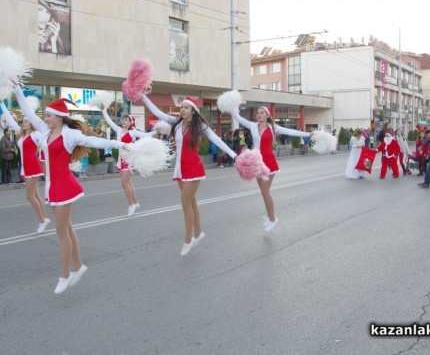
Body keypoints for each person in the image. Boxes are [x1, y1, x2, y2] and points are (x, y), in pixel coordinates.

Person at [14, 86, 129, 294]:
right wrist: (16, 88)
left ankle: (65, 274)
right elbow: (27, 111)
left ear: (59, 117)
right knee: (67, 229)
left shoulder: (70, 135)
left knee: (60, 232)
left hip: (65, 185)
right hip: (51, 185)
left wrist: (120, 145)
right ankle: (79, 265)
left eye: (48, 115)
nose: (45, 118)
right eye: (45, 116)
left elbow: (95, 141)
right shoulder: (44, 131)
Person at [141, 94, 236, 255]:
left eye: (186, 108)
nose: (182, 110)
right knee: (191, 202)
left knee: (185, 202)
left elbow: (217, 140)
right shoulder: (177, 124)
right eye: (181, 108)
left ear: (193, 111)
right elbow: (157, 112)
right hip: (180, 167)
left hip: (193, 167)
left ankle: (188, 239)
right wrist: (142, 96)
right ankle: (198, 233)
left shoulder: (200, 126)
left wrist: (235, 155)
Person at [227, 105, 309, 231]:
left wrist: (309, 133)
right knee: (263, 192)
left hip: (269, 162)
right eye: (258, 113)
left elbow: (291, 132)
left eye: (262, 113)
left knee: (265, 191)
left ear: (267, 115)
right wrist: (230, 105)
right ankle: (270, 216)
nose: (259, 114)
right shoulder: (253, 126)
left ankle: (273, 218)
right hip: (257, 161)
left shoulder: (273, 127)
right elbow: (239, 118)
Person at [0, 101, 50, 233]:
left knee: (30, 196)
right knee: (36, 195)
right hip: (25, 166)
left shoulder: (36, 135)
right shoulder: (21, 134)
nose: (24, 123)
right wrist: (2, 104)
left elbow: (46, 143)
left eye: (27, 121)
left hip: (33, 165)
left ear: (32, 123)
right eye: (23, 121)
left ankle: (42, 220)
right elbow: (10, 120)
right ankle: (44, 218)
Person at [101, 107, 158, 216]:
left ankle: (131, 205)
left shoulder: (133, 132)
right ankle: (135, 202)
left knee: (124, 184)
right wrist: (104, 111)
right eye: (123, 119)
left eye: (126, 120)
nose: (124, 121)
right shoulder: (119, 130)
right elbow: (109, 121)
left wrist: (157, 130)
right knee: (128, 183)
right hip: (121, 159)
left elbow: (145, 135)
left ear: (131, 122)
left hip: (129, 159)